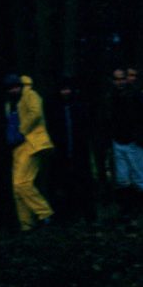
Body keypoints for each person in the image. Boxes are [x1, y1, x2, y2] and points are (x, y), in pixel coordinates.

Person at [5, 74, 55, 231]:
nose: (14, 90)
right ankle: (26, 224)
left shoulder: (30, 94)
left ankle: (45, 214)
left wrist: (22, 129)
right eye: (10, 88)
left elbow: (36, 113)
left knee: (22, 183)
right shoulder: (10, 103)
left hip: (32, 144)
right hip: (18, 146)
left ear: (20, 86)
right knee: (17, 187)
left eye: (16, 86)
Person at [43, 77, 98, 222]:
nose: (66, 92)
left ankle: (88, 214)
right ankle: (67, 215)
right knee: (64, 183)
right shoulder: (54, 107)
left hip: (79, 151)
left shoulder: (79, 105)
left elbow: (86, 127)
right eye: (63, 89)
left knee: (83, 183)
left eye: (68, 89)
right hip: (62, 152)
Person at [108, 68, 143, 213]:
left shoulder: (137, 95)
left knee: (138, 178)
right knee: (122, 179)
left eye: (122, 78)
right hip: (118, 142)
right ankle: (127, 210)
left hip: (135, 143)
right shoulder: (111, 96)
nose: (120, 82)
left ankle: (140, 211)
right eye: (117, 79)